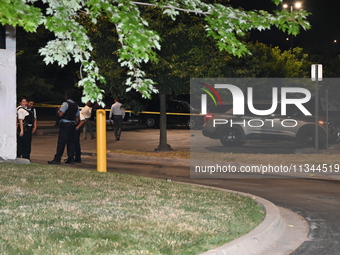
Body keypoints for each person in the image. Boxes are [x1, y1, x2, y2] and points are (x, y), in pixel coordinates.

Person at [48, 90, 80, 164]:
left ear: (66, 96)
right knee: (71, 142)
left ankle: (57, 158)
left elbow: (61, 114)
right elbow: (77, 117)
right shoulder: (76, 105)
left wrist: (58, 110)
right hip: (72, 124)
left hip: (65, 125)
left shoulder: (65, 104)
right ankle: (71, 158)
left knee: (61, 142)